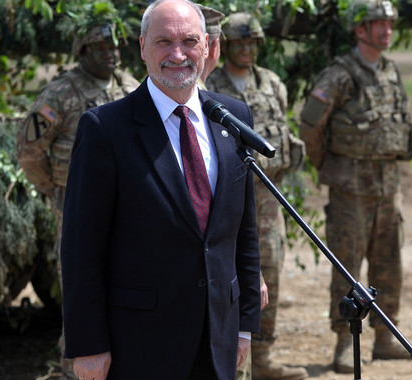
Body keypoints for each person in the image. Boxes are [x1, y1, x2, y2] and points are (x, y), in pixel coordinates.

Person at [60, 1, 262, 379]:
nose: (177, 54)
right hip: (140, 344)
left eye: (188, 41)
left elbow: (242, 232)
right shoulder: (106, 128)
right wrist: (88, 345)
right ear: (141, 47)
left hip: (218, 337)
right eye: (163, 42)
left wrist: (245, 323)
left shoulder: (233, 119)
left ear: (206, 46)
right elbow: (81, 249)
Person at [15, 8, 140, 376]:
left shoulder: (131, 87)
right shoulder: (60, 94)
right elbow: (28, 152)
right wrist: (55, 190)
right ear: (82, 51)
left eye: (114, 45)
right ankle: (75, 369)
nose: (110, 52)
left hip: (129, 208)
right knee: (82, 290)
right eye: (99, 46)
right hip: (76, 209)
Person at [299, 0, 412, 373]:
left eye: (389, 24)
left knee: (389, 265)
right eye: (377, 24)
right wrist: (328, 166)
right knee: (347, 269)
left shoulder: (390, 71)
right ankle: (342, 342)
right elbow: (309, 126)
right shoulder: (340, 75)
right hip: (350, 192)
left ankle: (385, 337)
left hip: (388, 188)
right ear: (359, 30)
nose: (386, 30)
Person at [206, 12, 307, 380]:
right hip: (229, 198)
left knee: (271, 275)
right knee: (231, 277)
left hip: (268, 201)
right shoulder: (210, 85)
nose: (247, 49)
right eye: (239, 43)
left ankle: (263, 358)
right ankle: (232, 360)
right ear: (225, 47)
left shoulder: (273, 84)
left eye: (253, 43)